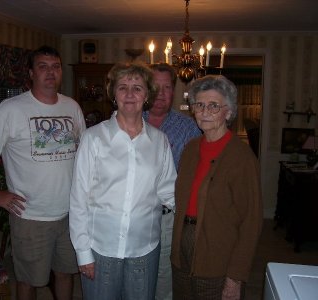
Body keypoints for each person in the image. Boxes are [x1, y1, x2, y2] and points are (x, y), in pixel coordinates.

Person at [0, 46, 86, 300]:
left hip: (70, 213)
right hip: (30, 216)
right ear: (31, 73)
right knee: (28, 281)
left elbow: (83, 156)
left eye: (55, 66)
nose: (50, 72)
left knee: (66, 274)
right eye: (43, 67)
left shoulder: (72, 107)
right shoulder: (11, 109)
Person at [69, 62, 177, 300]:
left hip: (145, 249)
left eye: (137, 88)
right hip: (101, 248)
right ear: (113, 95)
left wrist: (201, 212)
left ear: (147, 95)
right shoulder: (93, 138)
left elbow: (169, 190)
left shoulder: (159, 141)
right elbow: (78, 199)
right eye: (123, 87)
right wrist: (83, 252)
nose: (130, 94)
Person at [171, 75, 263, 300]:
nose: (204, 112)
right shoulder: (191, 148)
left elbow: (251, 222)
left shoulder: (242, 158)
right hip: (181, 254)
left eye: (213, 106)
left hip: (217, 258)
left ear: (228, 112)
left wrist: (235, 277)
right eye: (199, 105)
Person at [143, 63, 201, 300]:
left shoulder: (189, 128)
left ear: (174, 91)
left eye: (167, 87)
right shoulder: (130, 121)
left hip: (169, 216)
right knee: (137, 276)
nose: (161, 94)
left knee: (164, 277)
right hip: (135, 215)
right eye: (155, 87)